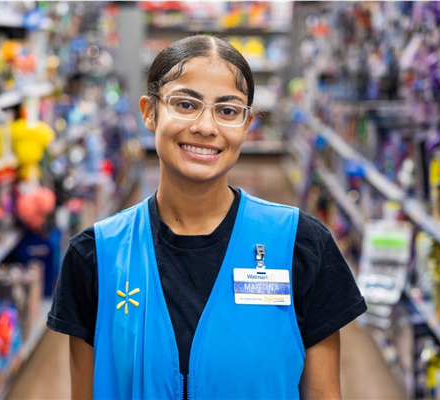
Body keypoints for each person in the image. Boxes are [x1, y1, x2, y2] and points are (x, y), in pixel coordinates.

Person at [47, 35, 366, 400]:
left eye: (228, 111)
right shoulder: (96, 255)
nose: (205, 127)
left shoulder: (301, 245)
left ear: (246, 125)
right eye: (185, 104)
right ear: (149, 112)